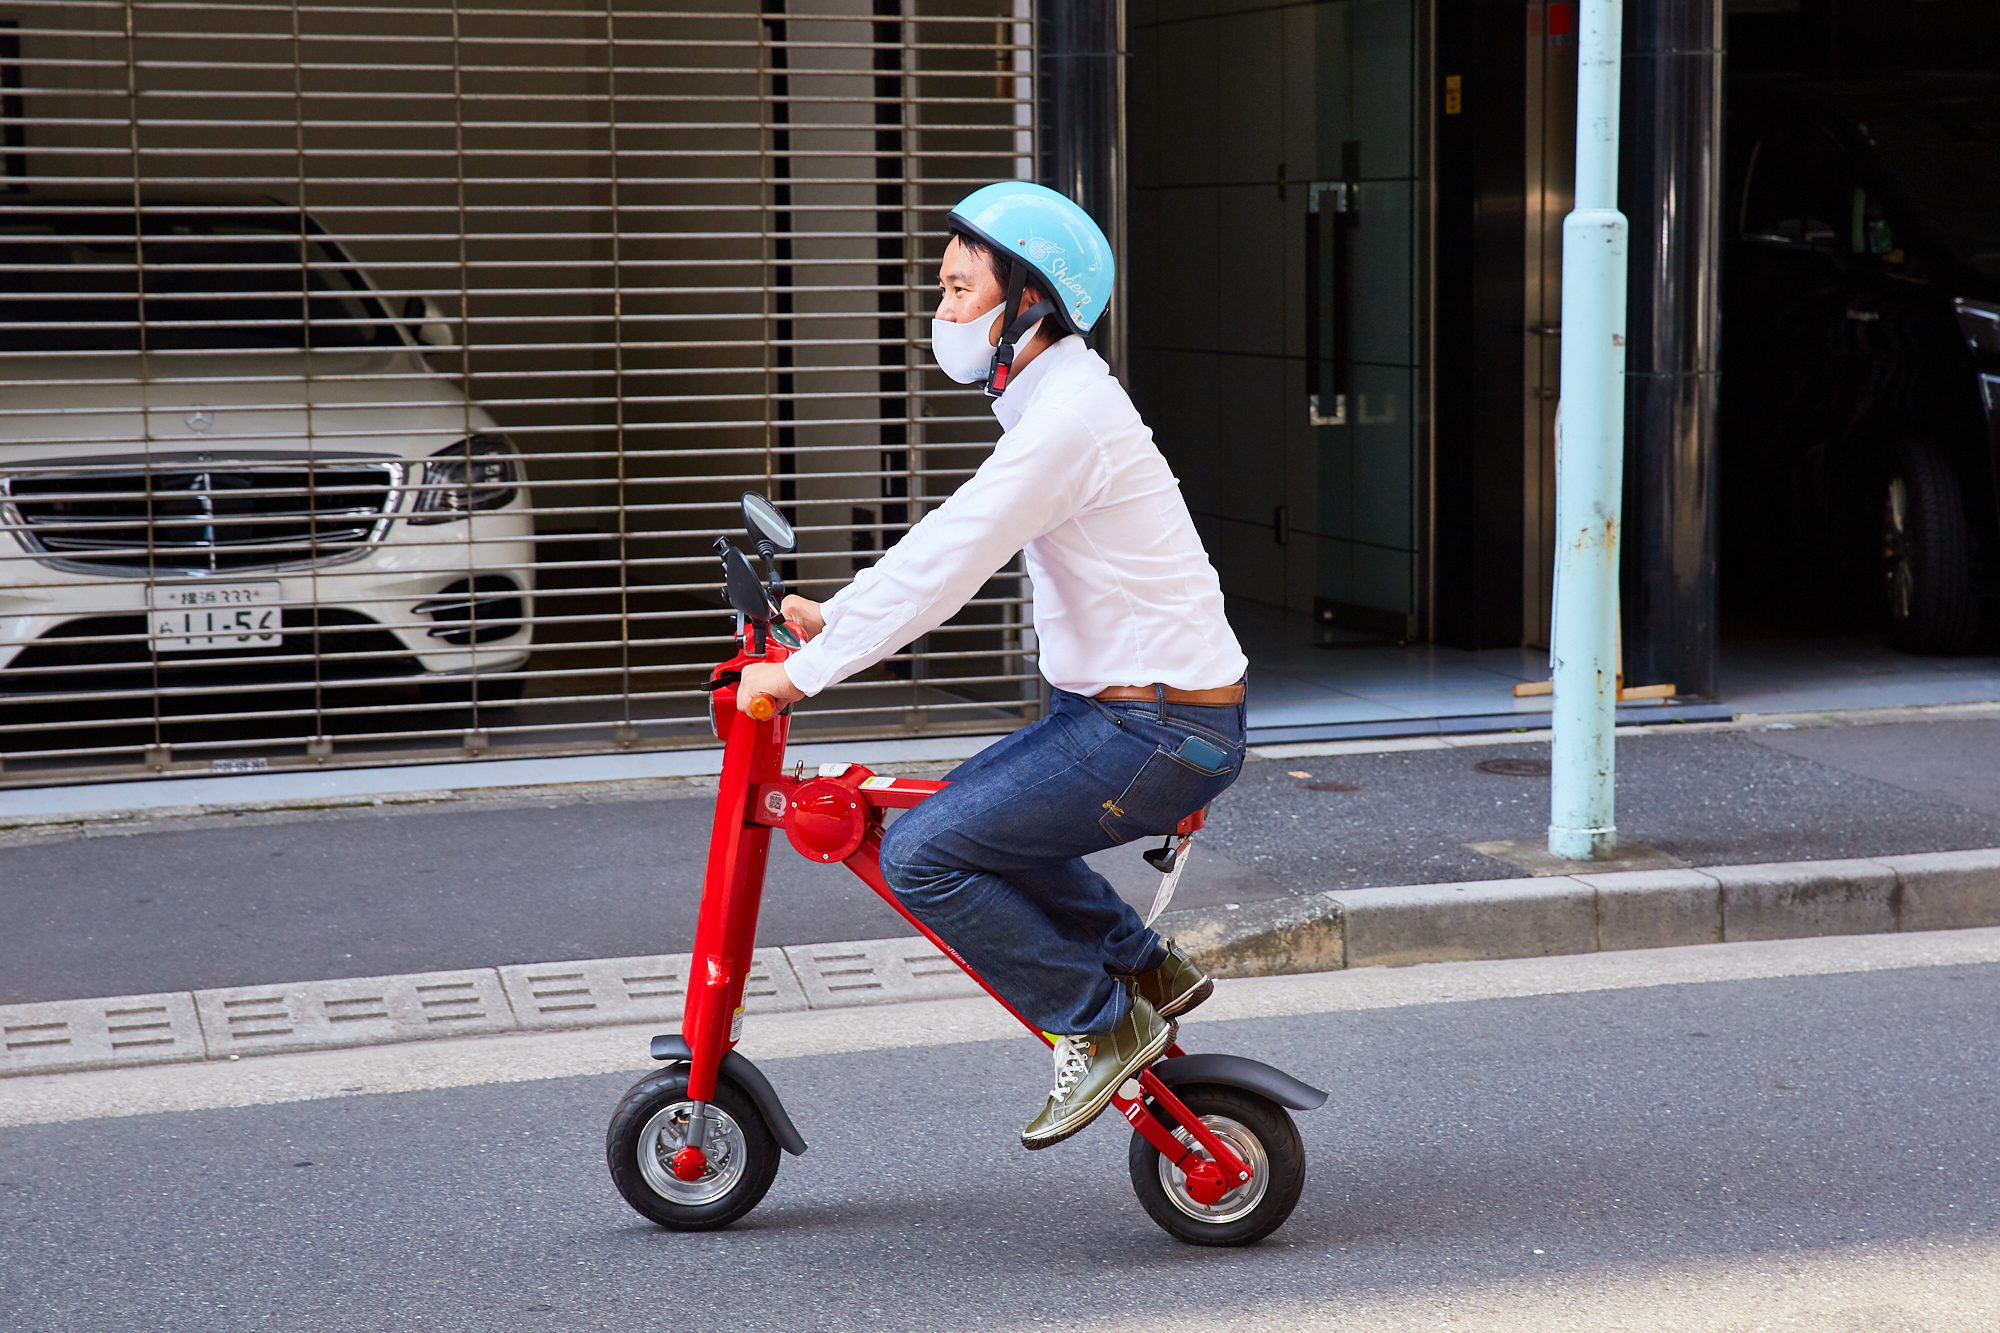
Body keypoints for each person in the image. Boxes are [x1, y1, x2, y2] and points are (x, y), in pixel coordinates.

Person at [733, 181, 1249, 1150]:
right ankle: (1139, 968)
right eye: (941, 288)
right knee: (957, 819)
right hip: (1127, 716)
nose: (941, 309)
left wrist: (801, 674)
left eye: (958, 288)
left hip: (1153, 729)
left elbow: (948, 557)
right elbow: (945, 545)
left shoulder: (1067, 421)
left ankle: (1096, 1027)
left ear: (1029, 303)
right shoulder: (1056, 402)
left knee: (924, 854)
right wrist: (832, 618)